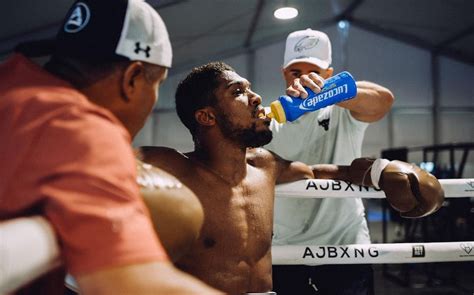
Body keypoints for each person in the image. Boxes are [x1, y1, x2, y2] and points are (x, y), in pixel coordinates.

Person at [140, 62, 443, 294]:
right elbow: (101, 156)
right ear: (206, 117)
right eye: (238, 92)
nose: (256, 97)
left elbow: (319, 171)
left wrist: (381, 171)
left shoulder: (265, 165)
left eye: (249, 88)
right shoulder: (171, 166)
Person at [0, 0, 219, 294]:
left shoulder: (11, 81)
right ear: (132, 79)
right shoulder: (81, 130)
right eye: (158, 84)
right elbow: (135, 284)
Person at [265, 29, 395, 294]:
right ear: (284, 74)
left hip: (346, 245)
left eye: (314, 72)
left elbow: (383, 101)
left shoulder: (343, 111)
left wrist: (334, 92)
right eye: (296, 72)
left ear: (328, 74)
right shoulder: (269, 118)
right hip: (285, 249)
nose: (303, 80)